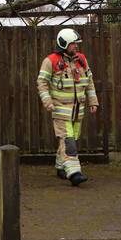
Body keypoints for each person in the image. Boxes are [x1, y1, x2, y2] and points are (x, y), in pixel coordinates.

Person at [36, 28, 98, 186]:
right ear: (64, 44)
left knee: (70, 139)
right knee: (69, 140)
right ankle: (74, 173)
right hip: (60, 110)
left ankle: (60, 167)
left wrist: (93, 101)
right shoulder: (50, 61)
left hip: (78, 110)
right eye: (73, 43)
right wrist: (47, 101)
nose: (76, 46)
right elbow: (42, 82)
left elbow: (89, 81)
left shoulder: (81, 60)